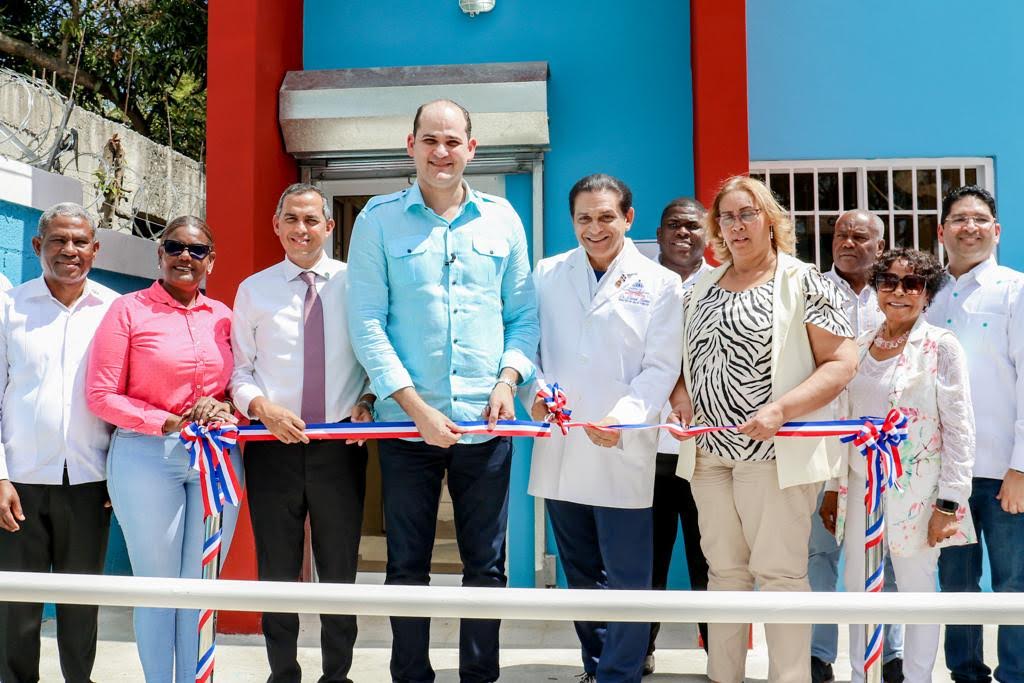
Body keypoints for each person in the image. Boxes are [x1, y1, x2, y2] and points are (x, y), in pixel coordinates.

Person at [346, 99, 539, 683]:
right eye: (430, 140)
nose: (441, 152)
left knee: (487, 567)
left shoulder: (503, 219)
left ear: (471, 149)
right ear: (411, 146)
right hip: (406, 428)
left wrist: (508, 381)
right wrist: (415, 408)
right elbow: (367, 323)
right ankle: (411, 677)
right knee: (406, 566)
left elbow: (523, 317)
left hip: (487, 425)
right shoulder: (377, 220)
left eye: (452, 141)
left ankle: (480, 677)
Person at [669, 175, 857, 683]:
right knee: (723, 575)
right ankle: (723, 677)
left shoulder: (805, 281)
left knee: (780, 577)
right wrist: (680, 394)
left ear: (770, 221)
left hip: (773, 456)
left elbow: (842, 362)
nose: (736, 225)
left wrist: (781, 411)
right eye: (727, 217)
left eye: (747, 214)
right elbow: (677, 361)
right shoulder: (699, 286)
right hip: (709, 457)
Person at [527, 174, 683, 682]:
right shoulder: (547, 273)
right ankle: (596, 665)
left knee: (628, 574)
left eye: (606, 217)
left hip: (622, 444)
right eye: (584, 218)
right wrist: (537, 394)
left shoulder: (660, 282)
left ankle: (620, 673)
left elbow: (661, 366)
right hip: (563, 440)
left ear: (628, 218)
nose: (595, 228)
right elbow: (530, 346)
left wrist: (625, 416)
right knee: (579, 570)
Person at [231, 183, 375, 683]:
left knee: (339, 570)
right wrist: (262, 408)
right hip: (272, 446)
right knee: (277, 568)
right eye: (291, 219)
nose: (301, 229)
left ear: (329, 227)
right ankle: (283, 673)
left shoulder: (357, 284)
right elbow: (239, 371)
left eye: (312, 220)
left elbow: (376, 358)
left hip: (339, 446)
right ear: (276, 225)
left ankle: (338, 675)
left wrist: (369, 401)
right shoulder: (254, 290)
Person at [85, 216, 239, 683]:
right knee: (158, 586)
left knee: (201, 586)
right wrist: (168, 421)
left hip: (216, 459)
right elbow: (101, 395)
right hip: (147, 455)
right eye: (174, 247)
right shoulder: (128, 311)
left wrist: (225, 406)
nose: (185, 257)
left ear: (212, 261)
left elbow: (241, 383)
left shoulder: (224, 316)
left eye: (197, 250)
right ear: (160, 254)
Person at [821, 248, 975, 683]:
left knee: (916, 590)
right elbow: (841, 419)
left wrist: (949, 501)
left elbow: (960, 428)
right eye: (888, 281)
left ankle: (918, 678)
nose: (899, 291)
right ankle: (861, 675)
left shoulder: (941, 346)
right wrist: (833, 487)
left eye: (913, 283)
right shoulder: (859, 345)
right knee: (858, 586)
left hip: (918, 491)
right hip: (859, 486)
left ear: (928, 293)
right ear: (876, 288)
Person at [0, 203, 118, 683]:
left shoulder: (115, 310)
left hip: (92, 482)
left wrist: (122, 476)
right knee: (16, 609)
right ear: (37, 246)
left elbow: (126, 396)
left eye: (79, 241)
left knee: (81, 608)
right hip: (20, 484)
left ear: (95, 249)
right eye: (58, 240)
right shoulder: (9, 309)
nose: (69, 250)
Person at [926, 185, 1024, 683]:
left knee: (1013, 584)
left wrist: (1021, 467)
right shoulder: (929, 293)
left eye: (980, 219)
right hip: (948, 476)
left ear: (996, 231)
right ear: (941, 230)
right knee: (956, 584)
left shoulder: (1015, 290)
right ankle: (965, 675)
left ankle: (1015, 675)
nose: (970, 227)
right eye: (959, 219)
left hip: (1004, 473)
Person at [811, 209, 905, 683]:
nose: (848, 242)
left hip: (878, 452)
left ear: (880, 246)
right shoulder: (810, 289)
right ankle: (818, 654)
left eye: (860, 236)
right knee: (819, 553)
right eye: (841, 234)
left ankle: (889, 654)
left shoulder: (894, 296)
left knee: (883, 553)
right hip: (817, 444)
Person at [644, 196, 713, 676]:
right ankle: (640, 648)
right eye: (674, 225)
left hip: (706, 452)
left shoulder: (722, 283)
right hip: (648, 450)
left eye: (693, 226)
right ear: (660, 233)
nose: (683, 234)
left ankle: (719, 653)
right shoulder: (640, 282)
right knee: (646, 560)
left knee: (710, 560)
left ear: (708, 234)